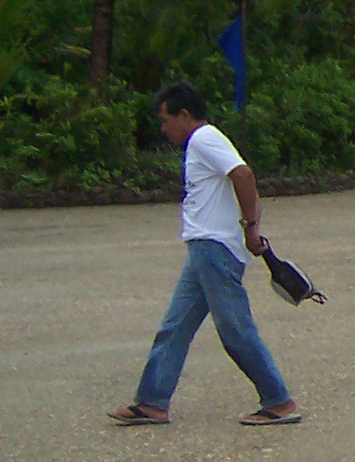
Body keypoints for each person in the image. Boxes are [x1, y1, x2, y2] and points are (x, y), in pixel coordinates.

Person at [109, 81, 300, 427]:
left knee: (235, 328)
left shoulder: (204, 138)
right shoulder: (204, 142)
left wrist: (250, 227)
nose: (164, 129)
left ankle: (278, 401)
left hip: (215, 249)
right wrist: (250, 229)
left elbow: (244, 175)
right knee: (175, 326)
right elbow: (244, 180)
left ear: (185, 115)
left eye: (166, 120)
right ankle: (152, 401)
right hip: (204, 247)